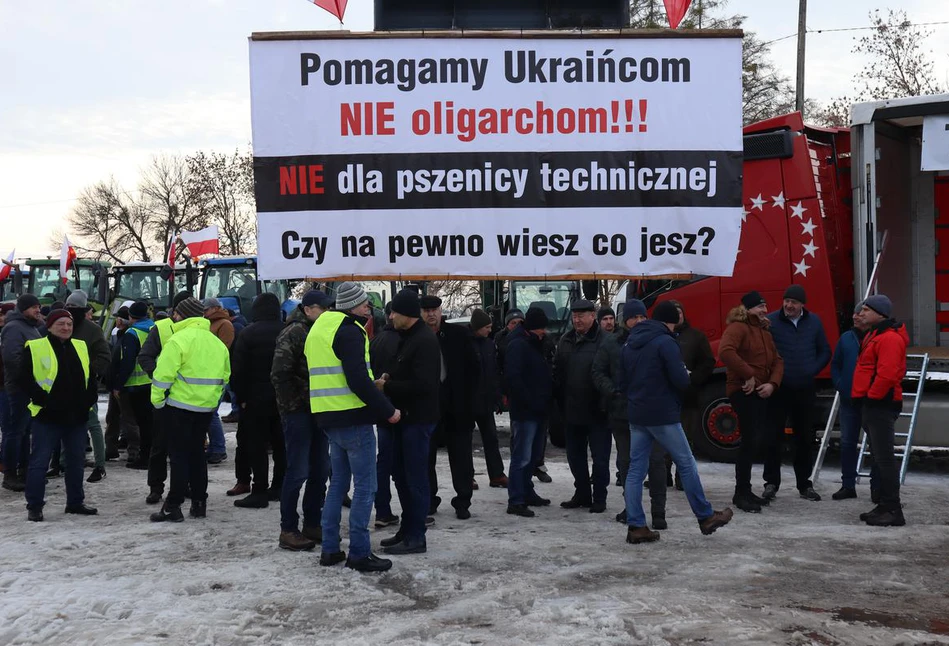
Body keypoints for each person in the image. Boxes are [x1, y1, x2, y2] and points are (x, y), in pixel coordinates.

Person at [619, 301, 733, 543]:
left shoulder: (629, 343)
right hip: (662, 414)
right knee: (686, 463)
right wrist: (684, 374)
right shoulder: (665, 341)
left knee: (635, 471)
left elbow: (621, 381)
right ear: (669, 322)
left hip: (637, 414)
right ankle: (705, 516)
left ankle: (636, 525)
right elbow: (681, 379)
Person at [306, 282, 399, 572]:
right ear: (351, 306)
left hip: (327, 416)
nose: (368, 307)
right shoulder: (349, 331)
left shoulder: (320, 327)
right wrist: (387, 410)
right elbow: (357, 379)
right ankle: (359, 552)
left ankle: (330, 549)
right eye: (363, 304)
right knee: (365, 487)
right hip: (353, 418)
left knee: (337, 486)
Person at [149, 297, 230, 523]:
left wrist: (158, 402)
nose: (174, 317)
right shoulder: (216, 342)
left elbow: (162, 376)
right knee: (197, 455)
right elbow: (225, 377)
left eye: (176, 314)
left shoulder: (178, 340)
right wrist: (212, 401)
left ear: (181, 315)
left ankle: (173, 506)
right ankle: (199, 503)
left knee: (179, 457)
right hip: (205, 409)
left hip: (178, 408)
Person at [18, 309, 99, 521]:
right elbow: (23, 378)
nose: (65, 328)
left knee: (75, 462)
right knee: (39, 462)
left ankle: (75, 502)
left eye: (69, 325)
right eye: (61, 324)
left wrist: (88, 400)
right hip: (48, 417)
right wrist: (42, 399)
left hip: (76, 416)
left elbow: (90, 378)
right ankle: (34, 505)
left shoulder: (80, 346)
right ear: (50, 326)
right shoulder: (36, 347)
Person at [592, 299, 668, 527]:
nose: (638, 321)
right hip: (622, 413)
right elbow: (598, 372)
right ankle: (631, 508)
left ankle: (659, 513)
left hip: (652, 414)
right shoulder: (612, 343)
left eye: (642, 317)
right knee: (626, 463)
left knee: (656, 462)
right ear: (625, 321)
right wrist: (613, 392)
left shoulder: (658, 341)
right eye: (633, 317)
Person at [378, 289, 442, 555]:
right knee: (402, 476)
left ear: (407, 315)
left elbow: (424, 385)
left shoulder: (424, 341)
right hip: (405, 419)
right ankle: (407, 529)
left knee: (414, 479)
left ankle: (416, 536)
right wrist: (389, 376)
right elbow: (404, 369)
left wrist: (387, 387)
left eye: (394, 312)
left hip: (417, 420)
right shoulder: (408, 337)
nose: (390, 316)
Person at [270, 289, 333, 551]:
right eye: (323, 308)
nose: (327, 313)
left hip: (318, 410)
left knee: (320, 469)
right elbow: (279, 374)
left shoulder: (317, 330)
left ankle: (312, 523)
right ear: (308, 309)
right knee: (297, 471)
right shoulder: (294, 332)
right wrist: (295, 407)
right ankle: (288, 528)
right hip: (299, 413)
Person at [763, 285, 831, 502]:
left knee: (804, 437)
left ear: (803, 304)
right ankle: (771, 483)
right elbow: (763, 352)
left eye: (793, 302)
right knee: (772, 436)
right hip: (778, 388)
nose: (789, 305)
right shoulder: (771, 322)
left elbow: (825, 351)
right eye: (786, 301)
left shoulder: (814, 322)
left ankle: (805, 484)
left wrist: (812, 369)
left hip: (804, 388)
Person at [718, 291, 784, 513]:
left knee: (754, 440)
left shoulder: (764, 331)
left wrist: (772, 384)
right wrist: (749, 377)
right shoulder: (738, 327)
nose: (764, 310)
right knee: (749, 442)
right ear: (747, 309)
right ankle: (741, 493)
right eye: (759, 307)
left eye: (765, 306)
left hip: (760, 391)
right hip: (744, 391)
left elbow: (777, 361)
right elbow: (725, 352)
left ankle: (745, 490)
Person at [421, 294, 480, 520]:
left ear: (440, 310)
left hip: (458, 408)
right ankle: (429, 500)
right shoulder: (416, 336)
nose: (431, 314)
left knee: (461, 457)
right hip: (428, 409)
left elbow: (475, 369)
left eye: (434, 309)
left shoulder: (458, 334)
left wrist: (469, 400)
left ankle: (463, 501)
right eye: (426, 310)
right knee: (427, 458)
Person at [851, 295, 908, 527]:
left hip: (880, 405)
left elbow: (888, 374)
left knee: (884, 459)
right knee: (879, 457)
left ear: (880, 314)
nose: (861, 313)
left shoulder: (889, 339)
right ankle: (885, 505)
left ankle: (893, 509)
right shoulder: (875, 335)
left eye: (866, 310)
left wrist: (872, 397)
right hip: (872, 404)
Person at [554, 299, 611, 513]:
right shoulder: (565, 340)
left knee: (600, 458)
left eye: (581, 316)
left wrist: (606, 402)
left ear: (592, 316)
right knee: (575, 456)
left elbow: (612, 373)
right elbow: (558, 374)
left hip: (598, 411)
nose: (577, 320)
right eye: (574, 316)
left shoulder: (605, 341)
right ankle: (582, 493)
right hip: (571, 410)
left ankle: (599, 497)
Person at [230, 293, 286, 508]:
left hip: (254, 401)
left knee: (256, 446)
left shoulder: (247, 334)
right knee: (281, 446)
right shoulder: (287, 331)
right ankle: (279, 487)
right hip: (283, 400)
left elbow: (238, 370)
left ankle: (259, 490)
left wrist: (241, 398)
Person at [138, 291, 189, 505]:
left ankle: (182, 486)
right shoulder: (161, 328)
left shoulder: (200, 330)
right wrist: (158, 376)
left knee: (185, 446)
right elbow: (145, 356)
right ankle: (156, 488)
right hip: (165, 397)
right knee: (160, 446)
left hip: (189, 398)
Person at [504, 307, 554, 517]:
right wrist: (531, 402)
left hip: (537, 410)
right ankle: (516, 499)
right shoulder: (519, 345)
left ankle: (526, 492)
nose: (544, 332)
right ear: (533, 328)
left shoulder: (534, 343)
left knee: (532, 456)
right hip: (526, 412)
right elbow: (514, 379)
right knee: (522, 457)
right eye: (542, 328)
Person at [669, 300, 716, 489]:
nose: (677, 316)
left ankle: (682, 477)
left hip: (688, 397)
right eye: (673, 313)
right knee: (663, 440)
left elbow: (708, 362)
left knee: (685, 440)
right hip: (665, 397)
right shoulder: (662, 336)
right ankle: (662, 475)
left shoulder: (696, 336)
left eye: (679, 312)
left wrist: (694, 378)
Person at [830, 304, 874, 500]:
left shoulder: (877, 338)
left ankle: (878, 488)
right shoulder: (846, 338)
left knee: (876, 445)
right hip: (849, 401)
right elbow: (836, 364)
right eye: (854, 313)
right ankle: (848, 485)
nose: (855, 317)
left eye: (860, 313)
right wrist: (840, 384)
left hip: (872, 402)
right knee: (847, 443)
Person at [1, 294, 43, 492]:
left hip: (30, 388)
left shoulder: (31, 327)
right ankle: (10, 474)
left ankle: (25, 472)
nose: (38, 310)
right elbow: (12, 359)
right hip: (18, 389)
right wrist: (27, 382)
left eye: (38, 307)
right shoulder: (14, 328)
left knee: (25, 432)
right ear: (23, 309)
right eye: (34, 307)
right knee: (15, 432)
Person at [113, 301, 155, 471]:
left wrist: (118, 384)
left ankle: (144, 458)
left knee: (143, 424)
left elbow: (128, 361)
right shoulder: (154, 328)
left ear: (131, 316)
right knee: (151, 423)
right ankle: (151, 454)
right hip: (154, 380)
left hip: (137, 385)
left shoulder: (132, 333)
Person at [370, 303, 401, 529]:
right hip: (400, 410)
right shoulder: (404, 341)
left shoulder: (375, 341)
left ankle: (383, 510)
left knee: (383, 462)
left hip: (380, 408)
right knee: (402, 462)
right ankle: (413, 509)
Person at [469, 308, 507, 489]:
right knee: (464, 441)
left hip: (485, 401)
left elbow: (493, 373)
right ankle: (467, 476)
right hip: (468, 401)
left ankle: (497, 474)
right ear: (478, 327)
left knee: (491, 439)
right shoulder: (465, 344)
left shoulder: (489, 344)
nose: (490, 330)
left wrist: (497, 397)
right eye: (487, 327)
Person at [204, 297, 235, 464]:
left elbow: (223, 348)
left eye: (206, 310)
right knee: (208, 413)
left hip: (217, 374)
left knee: (211, 413)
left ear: (215, 308)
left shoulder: (224, 324)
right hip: (208, 373)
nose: (204, 313)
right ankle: (214, 448)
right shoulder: (209, 323)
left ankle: (218, 448)